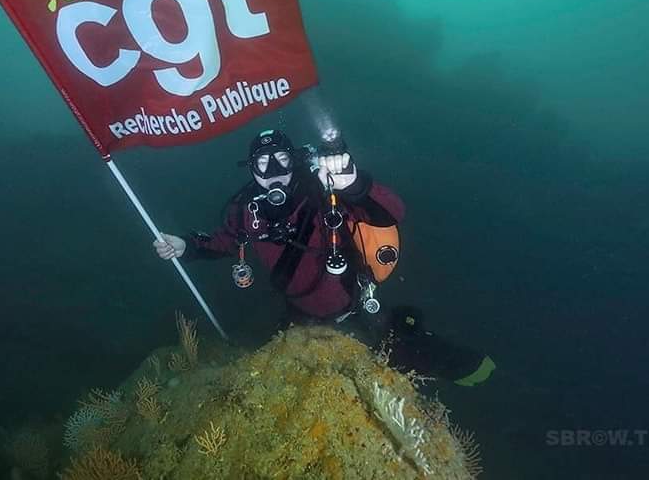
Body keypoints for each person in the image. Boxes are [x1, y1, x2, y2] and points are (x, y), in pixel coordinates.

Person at [153, 129, 494, 385]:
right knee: (289, 379)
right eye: (262, 163)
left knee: (407, 358)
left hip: (354, 307)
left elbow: (394, 211)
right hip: (299, 312)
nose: (274, 170)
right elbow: (225, 242)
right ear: (252, 170)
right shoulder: (246, 210)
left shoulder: (325, 191)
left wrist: (354, 183)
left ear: (296, 160)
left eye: (282, 160)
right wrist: (186, 246)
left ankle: (462, 362)